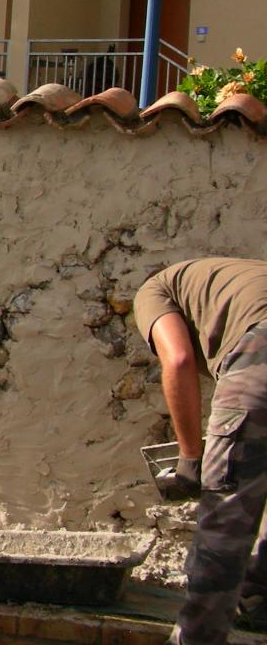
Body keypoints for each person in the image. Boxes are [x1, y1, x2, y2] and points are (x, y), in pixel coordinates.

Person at [134, 258, 267, 645]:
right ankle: (258, 596)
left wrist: (190, 458)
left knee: (226, 517)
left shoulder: (153, 292)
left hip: (259, 359)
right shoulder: (239, 278)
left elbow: (177, 359)